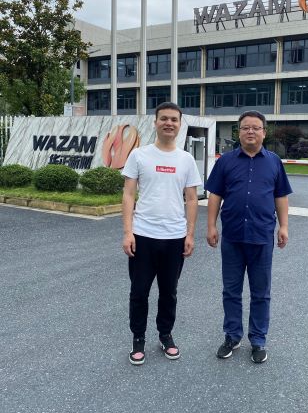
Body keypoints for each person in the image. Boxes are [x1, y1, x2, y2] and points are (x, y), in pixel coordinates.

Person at [206, 110, 292, 364]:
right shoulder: (225, 161)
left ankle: (258, 340)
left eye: (256, 127)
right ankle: (232, 336)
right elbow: (215, 195)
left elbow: (280, 196)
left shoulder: (274, 162)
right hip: (232, 237)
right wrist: (211, 226)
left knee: (261, 293)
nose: (250, 131)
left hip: (262, 236)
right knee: (231, 291)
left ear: (264, 132)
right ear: (239, 132)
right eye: (245, 128)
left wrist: (284, 226)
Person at [121, 102, 202, 365]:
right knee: (139, 292)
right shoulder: (139, 155)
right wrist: (128, 232)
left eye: (174, 119)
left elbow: (192, 199)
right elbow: (128, 194)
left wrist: (190, 234)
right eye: (164, 118)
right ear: (155, 122)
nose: (169, 123)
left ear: (179, 124)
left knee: (169, 292)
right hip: (143, 236)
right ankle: (138, 338)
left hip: (174, 237)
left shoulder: (186, 159)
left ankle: (165, 334)